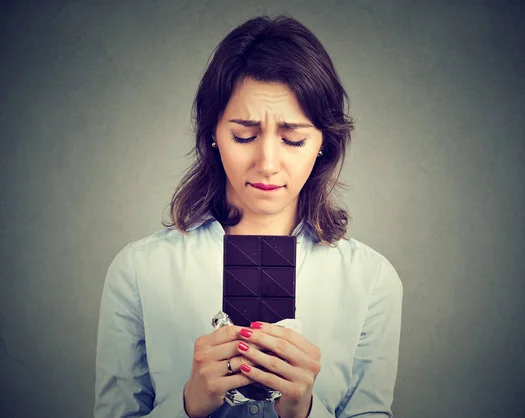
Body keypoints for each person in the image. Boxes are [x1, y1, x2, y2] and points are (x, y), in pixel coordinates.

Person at [94, 14, 403, 418]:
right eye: (244, 136)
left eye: (293, 139)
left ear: (323, 144)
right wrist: (188, 406)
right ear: (212, 134)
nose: (268, 163)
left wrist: (305, 411)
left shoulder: (372, 281)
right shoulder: (138, 271)